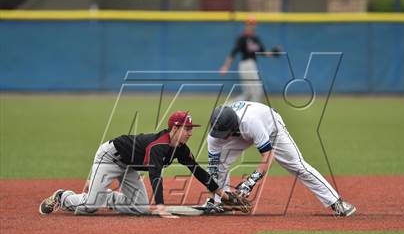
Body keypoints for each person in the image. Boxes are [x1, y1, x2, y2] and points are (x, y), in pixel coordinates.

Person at [39, 111, 248, 218]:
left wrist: (223, 194)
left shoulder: (181, 149)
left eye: (191, 128)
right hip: (110, 157)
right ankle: (63, 196)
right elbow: (155, 176)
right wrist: (160, 205)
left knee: (138, 207)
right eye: (187, 128)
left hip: (129, 165)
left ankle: (106, 196)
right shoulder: (160, 146)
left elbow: (199, 172)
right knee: (90, 206)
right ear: (174, 128)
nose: (190, 132)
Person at [201, 101, 356, 217]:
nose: (222, 137)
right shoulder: (215, 136)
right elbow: (213, 168)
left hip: (271, 126)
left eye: (224, 133)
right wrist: (217, 195)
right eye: (219, 133)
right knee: (219, 164)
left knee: (297, 166)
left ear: (233, 126)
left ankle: (336, 202)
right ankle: (220, 203)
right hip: (241, 132)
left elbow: (268, 157)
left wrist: (249, 183)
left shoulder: (252, 123)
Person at [220, 16, 281, 103]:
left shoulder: (256, 39)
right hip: (246, 65)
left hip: (252, 65)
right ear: (246, 25)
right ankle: (243, 110)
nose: (252, 26)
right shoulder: (242, 38)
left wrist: (273, 52)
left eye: (253, 24)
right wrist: (225, 66)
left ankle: (227, 106)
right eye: (250, 24)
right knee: (257, 92)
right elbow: (233, 53)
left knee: (248, 94)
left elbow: (263, 52)